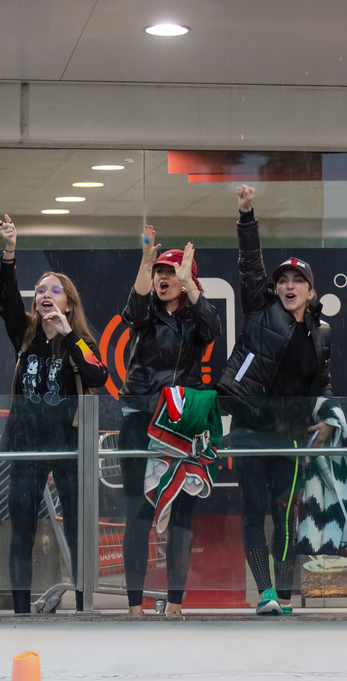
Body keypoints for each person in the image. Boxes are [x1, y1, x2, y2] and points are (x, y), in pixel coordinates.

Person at [217, 185, 337, 616]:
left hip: (291, 437)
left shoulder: (321, 334)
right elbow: (250, 265)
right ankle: (265, 592)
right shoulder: (259, 310)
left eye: (297, 281)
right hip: (251, 431)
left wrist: (329, 421)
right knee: (253, 514)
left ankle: (283, 598)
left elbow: (323, 384)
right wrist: (247, 216)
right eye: (283, 280)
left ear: (310, 291)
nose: (289, 286)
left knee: (286, 517)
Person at [0, 214, 109, 614]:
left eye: (55, 290)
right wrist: (10, 252)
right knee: (22, 532)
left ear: (68, 303)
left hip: (68, 447)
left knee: (77, 531)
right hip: (26, 445)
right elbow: (6, 301)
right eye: (41, 290)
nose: (46, 294)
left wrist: (69, 335)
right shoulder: (25, 335)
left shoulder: (80, 340)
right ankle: (21, 612)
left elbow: (99, 375)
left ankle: (82, 607)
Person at [119, 225, 221, 617]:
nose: (163, 278)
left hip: (182, 424)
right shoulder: (145, 314)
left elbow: (213, 329)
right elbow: (132, 310)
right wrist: (146, 261)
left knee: (181, 515)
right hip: (140, 419)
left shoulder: (197, 319)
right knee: (139, 512)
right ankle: (134, 606)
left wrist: (191, 285)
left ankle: (175, 604)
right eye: (158, 272)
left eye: (170, 272)